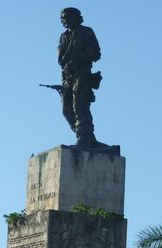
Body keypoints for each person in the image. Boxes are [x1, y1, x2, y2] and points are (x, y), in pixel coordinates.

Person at [58, 7, 103, 147]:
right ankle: (86, 136)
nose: (64, 21)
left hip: (82, 73)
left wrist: (77, 61)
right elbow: (60, 59)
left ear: (76, 17)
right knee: (66, 109)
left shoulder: (86, 32)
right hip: (67, 76)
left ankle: (83, 138)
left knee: (80, 106)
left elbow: (96, 53)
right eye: (63, 19)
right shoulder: (64, 36)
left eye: (67, 17)